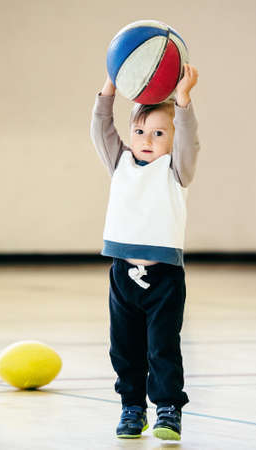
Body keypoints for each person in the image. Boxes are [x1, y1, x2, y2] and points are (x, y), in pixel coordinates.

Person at [90, 63, 200, 441]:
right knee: (124, 348)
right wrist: (110, 86)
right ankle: (132, 408)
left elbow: (189, 141)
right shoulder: (119, 162)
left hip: (164, 278)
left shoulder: (175, 170)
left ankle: (168, 409)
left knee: (163, 348)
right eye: (139, 131)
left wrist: (183, 101)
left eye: (158, 133)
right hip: (123, 275)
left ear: (172, 140)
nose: (147, 139)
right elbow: (101, 129)